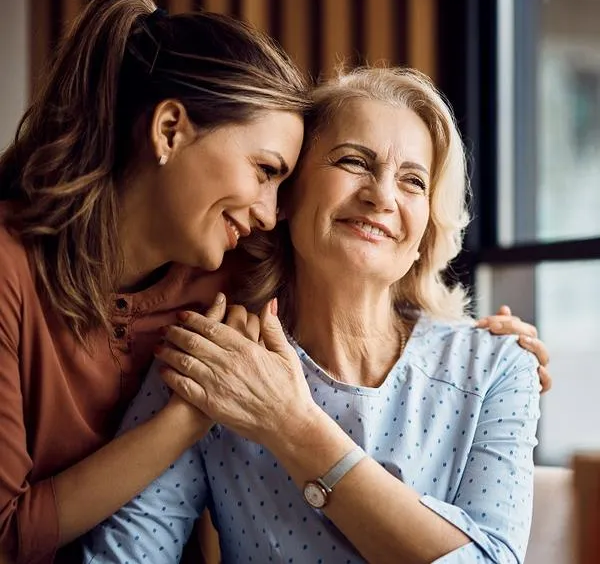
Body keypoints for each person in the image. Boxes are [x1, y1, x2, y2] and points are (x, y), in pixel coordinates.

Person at [83, 68, 543, 563]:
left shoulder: (498, 367)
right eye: (353, 161)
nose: (382, 196)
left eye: (413, 181)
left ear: (426, 231)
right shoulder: (215, 360)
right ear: (286, 196)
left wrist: (292, 425)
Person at [0, 0, 308, 563]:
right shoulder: (8, 269)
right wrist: (187, 417)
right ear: (170, 130)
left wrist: (492, 345)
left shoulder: (236, 280)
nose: (270, 214)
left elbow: (367, 314)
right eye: (265, 171)